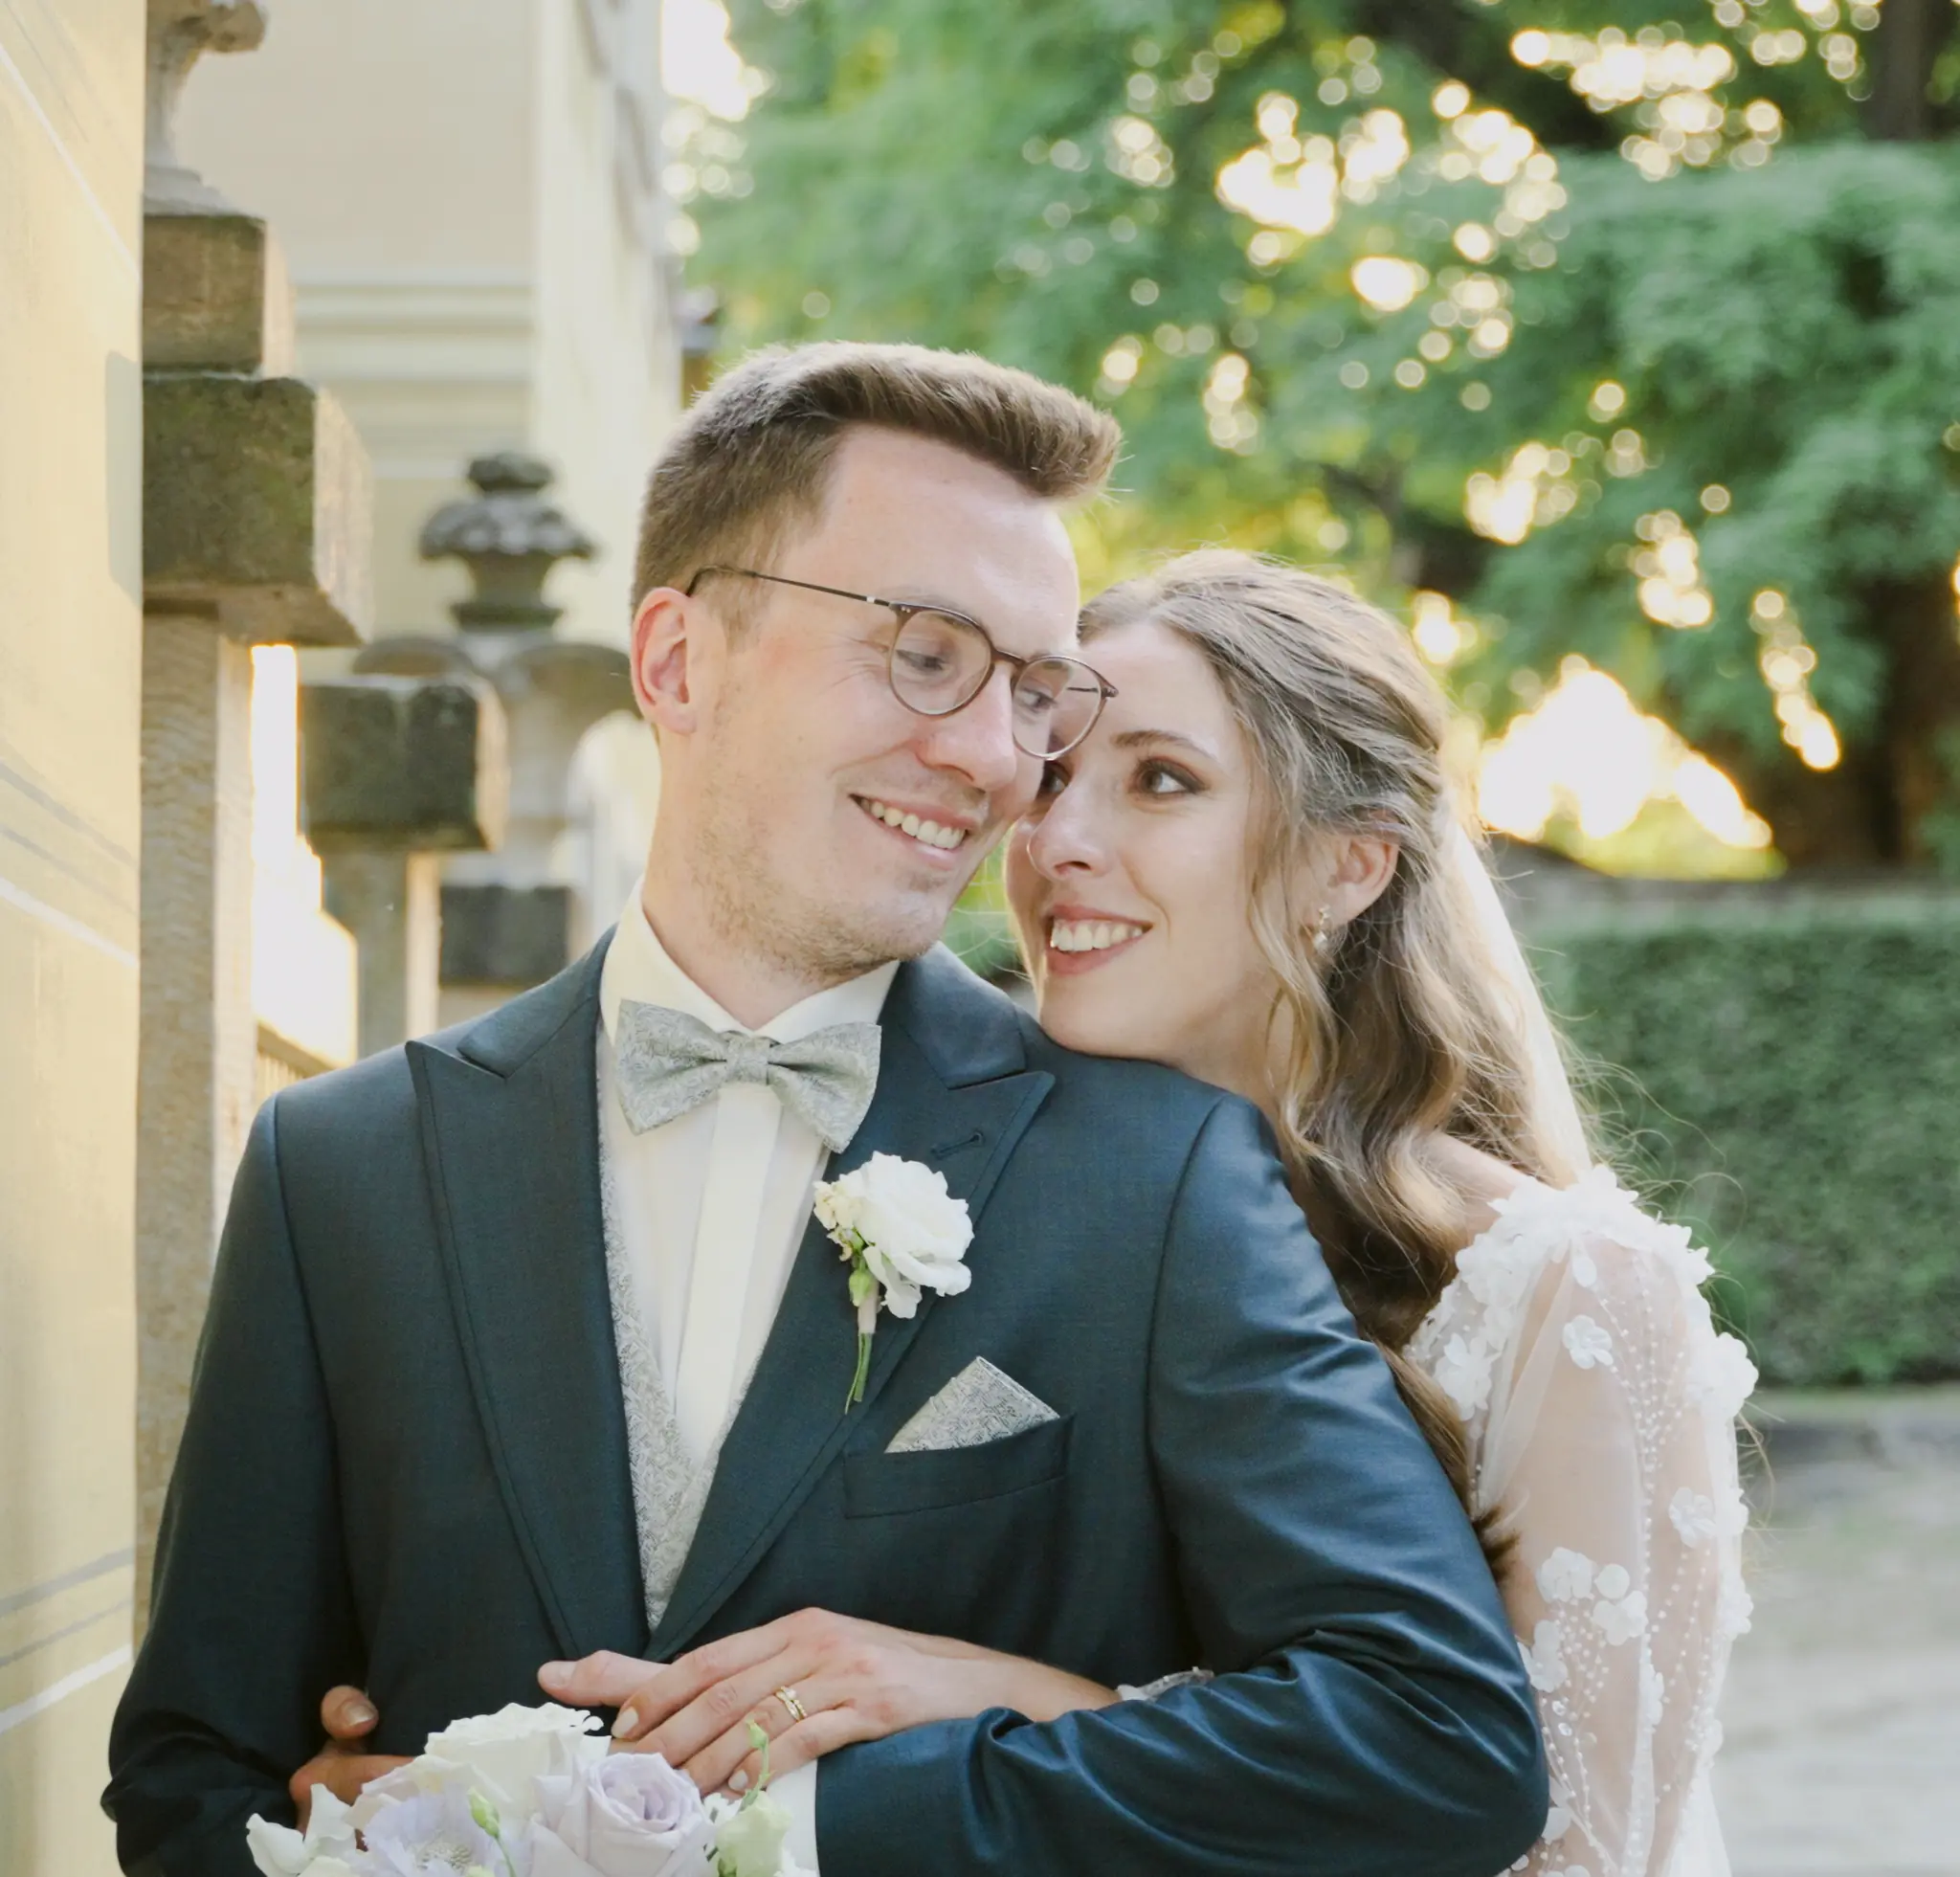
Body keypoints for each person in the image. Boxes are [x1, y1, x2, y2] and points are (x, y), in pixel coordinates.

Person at [105, 355, 1548, 1877]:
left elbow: (1436, 1731)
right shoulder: (341, 1171)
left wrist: (795, 1830)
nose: (999, 761)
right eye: (926, 654)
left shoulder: (1160, 1175)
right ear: (676, 663)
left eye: (1033, 689)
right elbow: (193, 1782)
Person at [530, 550, 1754, 1877]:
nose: (1055, 842)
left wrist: (995, 1695)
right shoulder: (941, 1198)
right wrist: (479, 1788)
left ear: (1348, 866)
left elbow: (1563, 1850)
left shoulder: (1569, 1292)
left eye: (1161, 781)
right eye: (1051, 776)